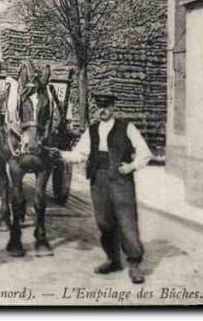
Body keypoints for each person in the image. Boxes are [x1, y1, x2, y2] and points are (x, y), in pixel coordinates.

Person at [59, 93, 152, 284]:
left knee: (127, 222)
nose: (103, 110)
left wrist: (131, 167)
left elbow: (145, 153)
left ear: (113, 107)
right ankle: (113, 259)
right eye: (99, 106)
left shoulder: (127, 128)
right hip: (98, 180)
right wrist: (61, 155)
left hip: (121, 181)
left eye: (106, 106)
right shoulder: (92, 130)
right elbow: (80, 154)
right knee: (104, 222)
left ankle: (134, 264)